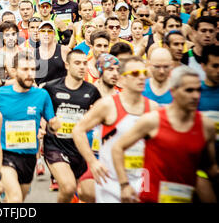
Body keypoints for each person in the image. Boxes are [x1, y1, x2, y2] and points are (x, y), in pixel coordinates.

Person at [111, 66, 217, 203]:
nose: (195, 96)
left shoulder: (206, 126)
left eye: (198, 90)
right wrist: (124, 185)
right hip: (150, 199)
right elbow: (117, 147)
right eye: (189, 90)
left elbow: (210, 167)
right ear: (173, 91)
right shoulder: (153, 120)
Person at [73, 56, 159, 203]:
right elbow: (78, 130)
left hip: (141, 178)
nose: (141, 78)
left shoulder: (153, 107)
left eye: (144, 73)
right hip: (111, 180)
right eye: (135, 74)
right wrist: (92, 162)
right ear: (123, 79)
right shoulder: (107, 105)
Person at [0, 51, 57, 203]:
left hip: (29, 156)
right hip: (5, 154)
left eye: (33, 69)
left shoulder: (42, 95)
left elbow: (52, 123)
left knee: (16, 199)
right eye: (25, 69)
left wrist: (51, 127)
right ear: (14, 71)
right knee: (16, 199)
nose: (30, 74)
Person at [42, 49, 101, 203]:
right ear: (67, 65)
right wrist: (45, 126)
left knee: (89, 194)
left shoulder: (92, 91)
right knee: (68, 187)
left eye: (84, 63)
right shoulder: (50, 88)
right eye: (77, 63)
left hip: (80, 148)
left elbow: (101, 116)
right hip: (56, 146)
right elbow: (39, 112)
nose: (82, 67)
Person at [196, 45, 219, 202]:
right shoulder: (193, 93)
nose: (218, 71)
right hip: (200, 167)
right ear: (203, 66)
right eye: (215, 66)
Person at [35, 21, 69, 86]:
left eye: (49, 31)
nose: (46, 34)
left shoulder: (64, 50)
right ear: (38, 34)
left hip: (61, 92)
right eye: (43, 31)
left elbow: (72, 73)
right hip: (42, 92)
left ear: (54, 34)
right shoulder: (33, 54)